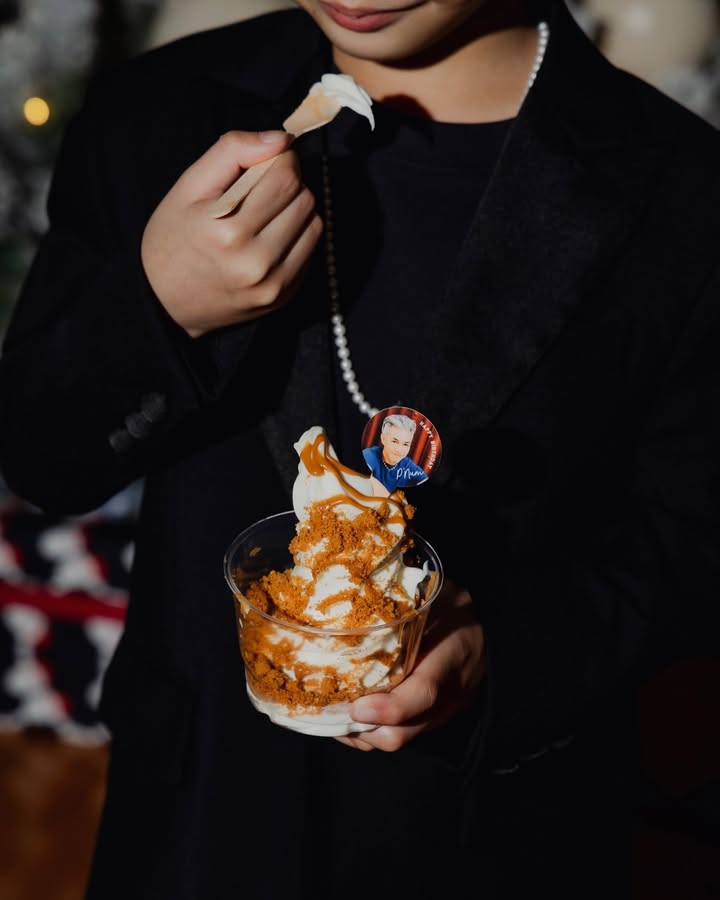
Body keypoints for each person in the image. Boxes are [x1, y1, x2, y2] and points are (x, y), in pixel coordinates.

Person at [0, 1, 718, 898]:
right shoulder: (161, 109)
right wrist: (160, 308)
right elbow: (41, 453)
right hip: (195, 819)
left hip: (491, 841)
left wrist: (504, 653)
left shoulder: (682, 188)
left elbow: (688, 542)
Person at [362, 412, 428, 494]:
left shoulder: (408, 465)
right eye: (394, 441)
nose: (399, 450)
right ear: (383, 439)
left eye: (405, 444)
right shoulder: (368, 456)